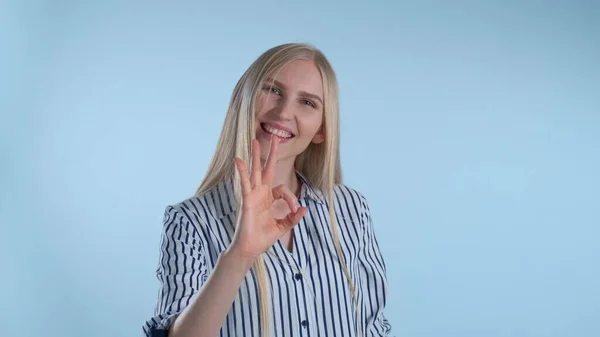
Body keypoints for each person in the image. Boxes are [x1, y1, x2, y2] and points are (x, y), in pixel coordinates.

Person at [143, 43, 391, 337]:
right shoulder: (189, 222)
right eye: (273, 90)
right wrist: (239, 256)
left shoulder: (351, 210)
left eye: (308, 102)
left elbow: (374, 328)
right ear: (242, 99)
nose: (284, 112)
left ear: (322, 130)